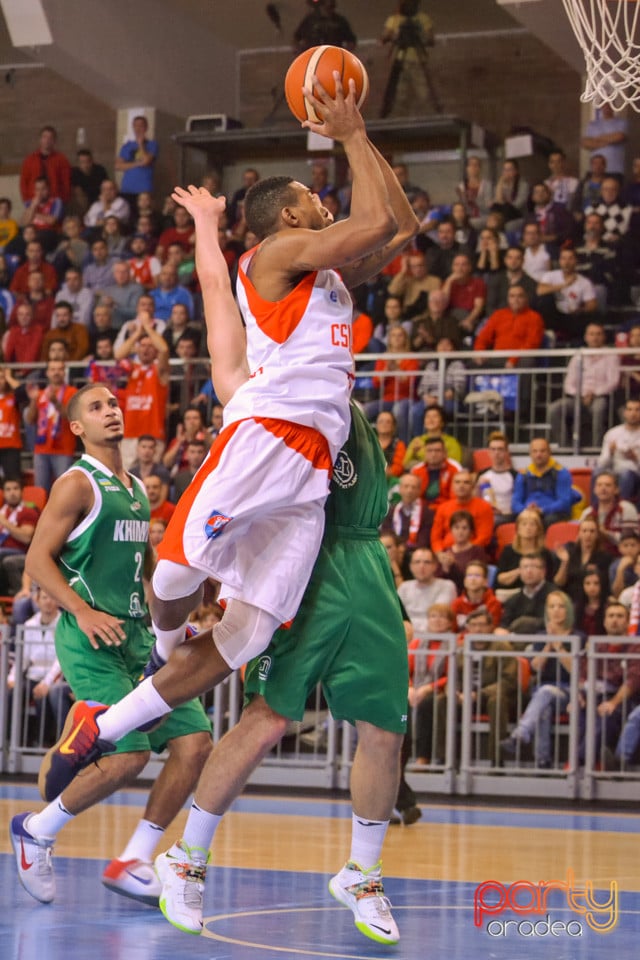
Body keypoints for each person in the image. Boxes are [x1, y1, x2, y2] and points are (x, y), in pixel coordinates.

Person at [32, 152, 418, 948]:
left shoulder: (329, 292)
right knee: (175, 577)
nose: (322, 201)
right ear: (285, 218)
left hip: (307, 483)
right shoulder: (261, 309)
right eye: (312, 198)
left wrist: (207, 221)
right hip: (260, 446)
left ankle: (129, 789)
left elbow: (397, 224)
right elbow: (217, 293)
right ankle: (144, 682)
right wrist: (221, 223)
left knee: (248, 633)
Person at [10, 382, 212, 908]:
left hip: (138, 633)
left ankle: (135, 859)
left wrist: (169, 618)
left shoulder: (138, 487)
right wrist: (82, 610)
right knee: (131, 756)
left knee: (196, 746)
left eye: (114, 404)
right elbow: (36, 562)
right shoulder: (77, 484)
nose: (112, 412)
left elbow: (143, 564)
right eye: (97, 408)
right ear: (77, 427)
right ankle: (37, 831)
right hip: (89, 635)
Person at [500, 590, 581, 769]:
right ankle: (542, 761)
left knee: (545, 693)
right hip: (543, 691)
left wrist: (559, 646)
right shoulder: (541, 635)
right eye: (552, 606)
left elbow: (576, 669)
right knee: (543, 707)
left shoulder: (578, 637)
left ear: (568, 609)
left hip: (569, 690)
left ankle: (520, 735)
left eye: (561, 606)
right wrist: (548, 643)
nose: (556, 610)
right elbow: (536, 666)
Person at [435, 606, 518, 766]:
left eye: (481, 625)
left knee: (497, 700)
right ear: (467, 628)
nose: (477, 629)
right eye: (473, 625)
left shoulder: (502, 647)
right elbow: (454, 676)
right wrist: (455, 692)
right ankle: (445, 757)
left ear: (491, 627)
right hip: (465, 697)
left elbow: (508, 681)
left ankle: (496, 759)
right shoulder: (461, 648)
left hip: (492, 697)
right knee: (442, 700)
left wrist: (479, 694)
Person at [549, 322, 619, 447]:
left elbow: (613, 381)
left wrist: (594, 393)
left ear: (604, 337)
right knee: (555, 409)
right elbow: (568, 383)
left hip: (600, 396)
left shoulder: (611, 355)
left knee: (599, 408)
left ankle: (596, 448)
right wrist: (581, 395)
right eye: (591, 334)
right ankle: (565, 446)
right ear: (586, 337)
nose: (595, 337)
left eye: (598, 334)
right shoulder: (578, 355)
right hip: (578, 398)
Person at [24, 360, 78, 494]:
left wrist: (55, 402)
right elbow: (30, 420)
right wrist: (32, 401)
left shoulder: (72, 392)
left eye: (59, 369)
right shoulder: (41, 393)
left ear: (64, 372)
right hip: (41, 449)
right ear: (47, 373)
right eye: (52, 369)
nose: (56, 372)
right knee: (40, 491)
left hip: (63, 449)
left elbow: (71, 417)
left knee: (64, 492)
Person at [472, 285, 544, 367]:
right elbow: (483, 337)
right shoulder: (498, 315)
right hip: (498, 356)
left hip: (520, 358)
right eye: (512, 296)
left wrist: (513, 360)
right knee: (474, 362)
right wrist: (480, 352)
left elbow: (532, 343)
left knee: (527, 361)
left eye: (520, 296)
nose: (516, 300)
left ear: (526, 299)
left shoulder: (534, 317)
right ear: (508, 299)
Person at [511, 437, 576, 527]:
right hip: (528, 512)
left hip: (553, 513)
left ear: (549, 453)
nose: (538, 455)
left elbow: (564, 502)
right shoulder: (523, 474)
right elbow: (515, 502)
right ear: (530, 454)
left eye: (542, 451)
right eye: (535, 451)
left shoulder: (561, 472)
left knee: (545, 521)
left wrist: (542, 510)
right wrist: (526, 510)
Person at [397, 547, 457, 638]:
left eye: (427, 562)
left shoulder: (446, 586)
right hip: (406, 640)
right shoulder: (404, 587)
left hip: (436, 639)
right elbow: (396, 618)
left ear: (435, 566)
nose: (421, 566)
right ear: (410, 566)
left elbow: (437, 621)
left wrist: (407, 626)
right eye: (417, 562)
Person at [430, 470, 494, 554]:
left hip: (472, 553)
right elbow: (435, 538)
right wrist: (439, 553)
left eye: (466, 482)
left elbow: (484, 537)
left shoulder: (484, 507)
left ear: (472, 487)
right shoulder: (443, 508)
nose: (461, 486)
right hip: (446, 552)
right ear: (452, 486)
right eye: (457, 482)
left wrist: (464, 551)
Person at [553, 516, 612, 605]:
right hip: (568, 599)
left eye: (592, 531)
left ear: (597, 535)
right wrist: (565, 562)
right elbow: (559, 582)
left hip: (591, 601)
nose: (588, 535)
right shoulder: (570, 550)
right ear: (579, 534)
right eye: (584, 531)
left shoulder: (604, 557)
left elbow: (604, 587)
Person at [496, 507, 558, 589]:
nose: (528, 528)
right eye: (524, 524)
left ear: (538, 530)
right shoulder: (509, 550)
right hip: (511, 593)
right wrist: (520, 571)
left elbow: (549, 581)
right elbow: (500, 579)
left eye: (532, 524)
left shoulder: (544, 553)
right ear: (518, 528)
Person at [0, 477, 40, 596]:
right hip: (3, 551)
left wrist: (5, 522)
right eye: (8, 489)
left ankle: (22, 594)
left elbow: (26, 538)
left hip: (23, 553)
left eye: (15, 489)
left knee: (6, 559)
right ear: (4, 493)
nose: (12, 492)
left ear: (22, 491)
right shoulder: (3, 511)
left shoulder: (28, 511)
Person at [580, 470, 638, 550]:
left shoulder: (626, 509)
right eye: (599, 485)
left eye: (608, 485)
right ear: (594, 490)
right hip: (595, 556)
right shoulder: (587, 513)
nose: (603, 488)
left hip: (620, 556)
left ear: (616, 490)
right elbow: (581, 541)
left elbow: (632, 542)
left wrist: (606, 534)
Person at [597, 399, 640, 505]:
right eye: (629, 409)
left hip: (634, 473)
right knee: (597, 472)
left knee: (626, 474)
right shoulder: (613, 433)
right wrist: (610, 453)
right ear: (624, 412)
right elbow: (602, 463)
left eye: (637, 410)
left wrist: (635, 458)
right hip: (614, 471)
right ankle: (596, 510)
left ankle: (620, 510)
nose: (633, 413)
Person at [20, 126, 71, 205]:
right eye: (44, 137)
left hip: (55, 201)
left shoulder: (62, 160)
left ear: (54, 141)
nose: (47, 140)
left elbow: (66, 183)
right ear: (40, 139)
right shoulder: (29, 160)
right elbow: (24, 182)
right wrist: (27, 200)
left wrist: (62, 200)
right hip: (34, 200)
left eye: (50, 138)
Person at [476, 431, 517, 527]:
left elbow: (517, 503)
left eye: (500, 449)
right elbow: (476, 500)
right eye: (493, 449)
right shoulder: (481, 475)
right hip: (485, 514)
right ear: (489, 452)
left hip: (507, 516)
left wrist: (503, 512)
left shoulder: (515, 476)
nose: (496, 453)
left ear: (506, 452)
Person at [115, 116, 158, 207]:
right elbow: (118, 166)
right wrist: (138, 163)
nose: (138, 128)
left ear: (146, 128)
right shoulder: (127, 146)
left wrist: (141, 144)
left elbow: (146, 161)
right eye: (136, 126)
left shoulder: (152, 145)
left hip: (143, 189)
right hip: (127, 189)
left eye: (141, 126)